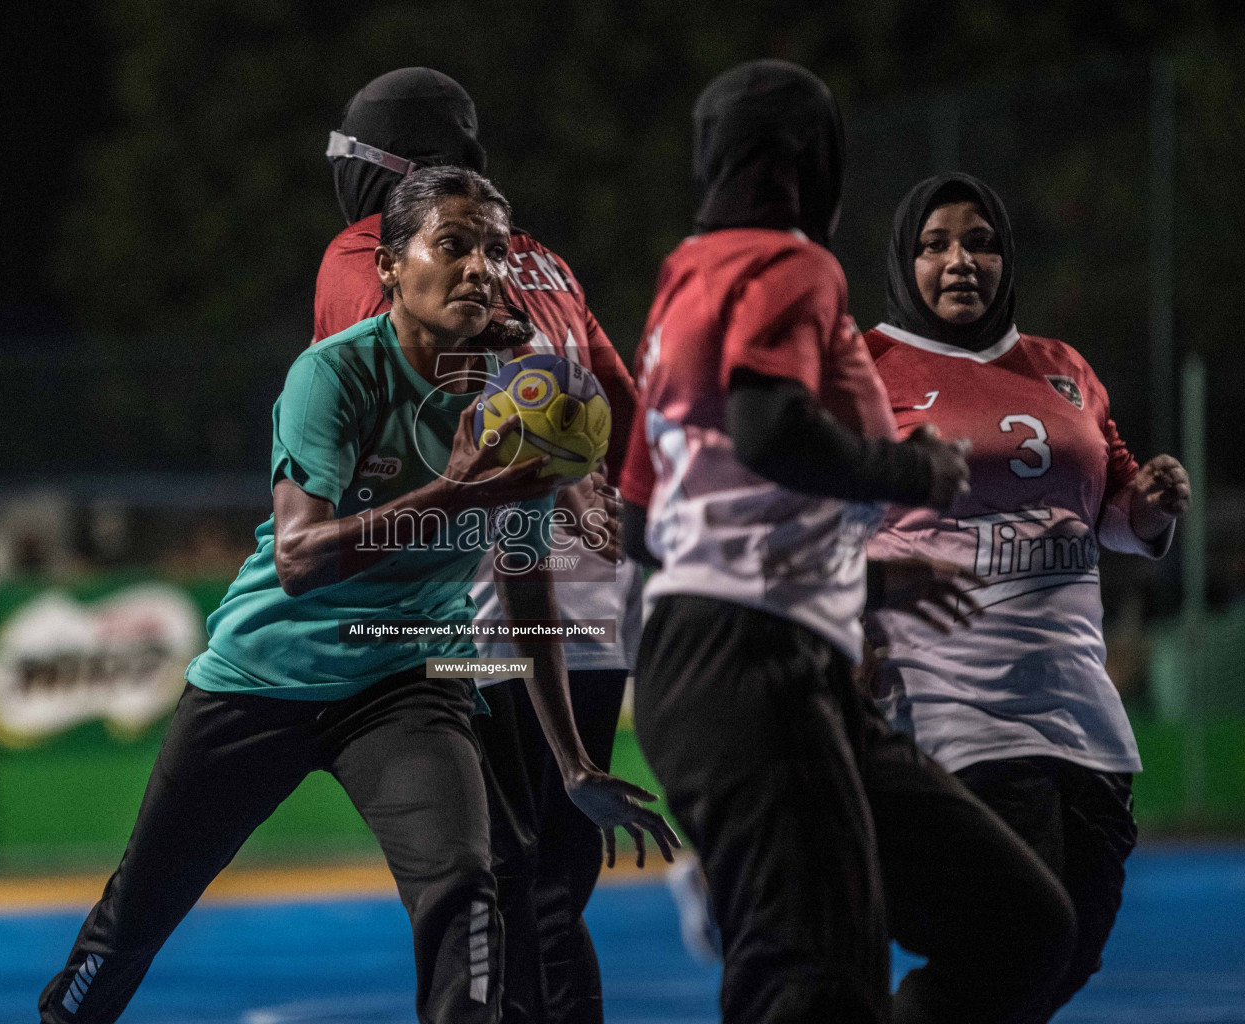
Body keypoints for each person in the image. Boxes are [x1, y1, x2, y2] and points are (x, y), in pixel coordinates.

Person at [38, 166, 675, 1024]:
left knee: (467, 888)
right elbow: (301, 558)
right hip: (262, 677)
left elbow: (526, 584)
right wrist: (455, 497)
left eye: (493, 250)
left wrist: (571, 764)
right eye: (452, 245)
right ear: (390, 267)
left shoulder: (520, 393)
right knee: (138, 916)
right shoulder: (332, 376)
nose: (479, 269)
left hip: (406, 680)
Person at [621, 60, 1078, 1024]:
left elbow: (651, 516)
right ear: (810, 160)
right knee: (815, 978)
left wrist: (854, 579)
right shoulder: (790, 263)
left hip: (752, 664)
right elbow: (769, 429)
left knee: (1017, 920)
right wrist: (916, 472)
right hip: (755, 672)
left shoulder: (683, 281)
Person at [316, 68, 647, 1024]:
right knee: (552, 873)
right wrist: (595, 483)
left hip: (481, 588)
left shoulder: (372, 248)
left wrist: (561, 474)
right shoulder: (543, 261)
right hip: (588, 597)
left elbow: (417, 363)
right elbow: (627, 417)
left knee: (497, 880)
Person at [863, 171, 1191, 1022]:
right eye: (934, 244)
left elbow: (1112, 507)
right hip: (951, 705)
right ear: (904, 261)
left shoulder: (1061, 366)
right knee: (1015, 940)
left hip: (1079, 706)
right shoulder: (865, 366)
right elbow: (814, 513)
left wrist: (1147, 506)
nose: (960, 260)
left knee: (1069, 951)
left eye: (981, 240)